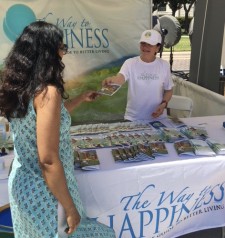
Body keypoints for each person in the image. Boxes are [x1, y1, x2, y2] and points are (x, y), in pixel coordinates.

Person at [0, 21, 115, 238]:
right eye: (61, 48)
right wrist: (70, 208)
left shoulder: (21, 86)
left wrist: (80, 99)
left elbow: (48, 121)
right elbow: (49, 160)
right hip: (46, 193)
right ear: (48, 53)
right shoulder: (47, 92)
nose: (63, 54)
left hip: (23, 186)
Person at [102, 29, 173, 121]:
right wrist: (112, 81)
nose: (145, 47)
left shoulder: (164, 65)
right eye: (143, 43)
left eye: (150, 44)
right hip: (134, 118)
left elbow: (169, 90)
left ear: (157, 48)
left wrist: (164, 104)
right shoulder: (130, 63)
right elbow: (120, 78)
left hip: (158, 118)